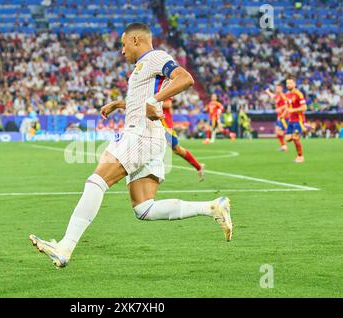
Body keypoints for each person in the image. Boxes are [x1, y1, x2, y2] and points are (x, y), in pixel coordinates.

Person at [29, 23, 233, 268]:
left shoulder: (156, 57)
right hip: (151, 137)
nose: (121, 51)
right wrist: (118, 104)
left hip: (140, 135)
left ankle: (65, 247)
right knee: (144, 208)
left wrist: (155, 99)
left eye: (123, 44)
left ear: (136, 40)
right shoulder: (142, 68)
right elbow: (141, 99)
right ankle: (212, 207)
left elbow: (185, 78)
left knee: (96, 182)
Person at [161, 98, 205, 181]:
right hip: (154, 124)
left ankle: (198, 166)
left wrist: (147, 103)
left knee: (177, 149)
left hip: (164, 126)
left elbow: (168, 104)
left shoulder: (161, 87)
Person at [285, 77, 307, 163]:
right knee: (287, 139)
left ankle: (300, 157)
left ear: (294, 84)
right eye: (287, 83)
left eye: (290, 83)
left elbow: (304, 107)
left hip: (299, 119)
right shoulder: (287, 94)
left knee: (295, 138)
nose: (288, 85)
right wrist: (283, 115)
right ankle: (304, 130)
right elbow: (287, 107)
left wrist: (293, 110)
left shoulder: (299, 94)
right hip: (291, 120)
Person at [264, 86, 289, 151]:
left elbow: (287, 105)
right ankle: (283, 146)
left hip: (284, 117)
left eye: (278, 88)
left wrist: (280, 108)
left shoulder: (283, 96)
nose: (277, 89)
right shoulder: (277, 96)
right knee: (278, 132)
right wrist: (268, 92)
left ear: (281, 89)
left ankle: (291, 135)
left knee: (280, 132)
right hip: (279, 117)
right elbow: (272, 96)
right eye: (276, 88)